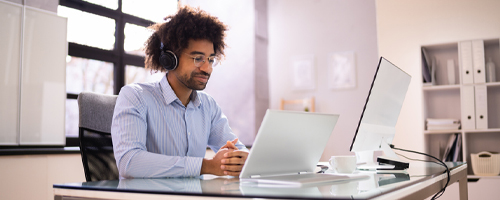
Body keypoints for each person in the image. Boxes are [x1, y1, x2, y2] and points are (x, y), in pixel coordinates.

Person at [111, 6, 249, 178]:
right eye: (198, 58)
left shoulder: (208, 106)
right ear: (170, 58)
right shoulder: (135, 97)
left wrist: (239, 159)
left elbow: (237, 149)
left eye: (211, 59)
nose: (207, 68)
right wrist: (206, 166)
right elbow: (129, 162)